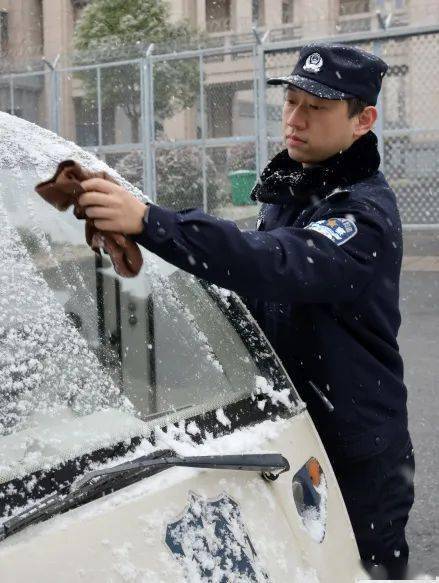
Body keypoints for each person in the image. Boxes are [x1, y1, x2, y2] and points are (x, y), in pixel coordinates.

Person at [77, 42, 415, 579]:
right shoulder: (297, 189)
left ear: (363, 120)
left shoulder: (361, 213)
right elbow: (250, 281)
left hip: (354, 450)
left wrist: (152, 222)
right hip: (292, 429)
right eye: (291, 103)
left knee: (361, 571)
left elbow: (275, 263)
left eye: (317, 108)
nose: (295, 120)